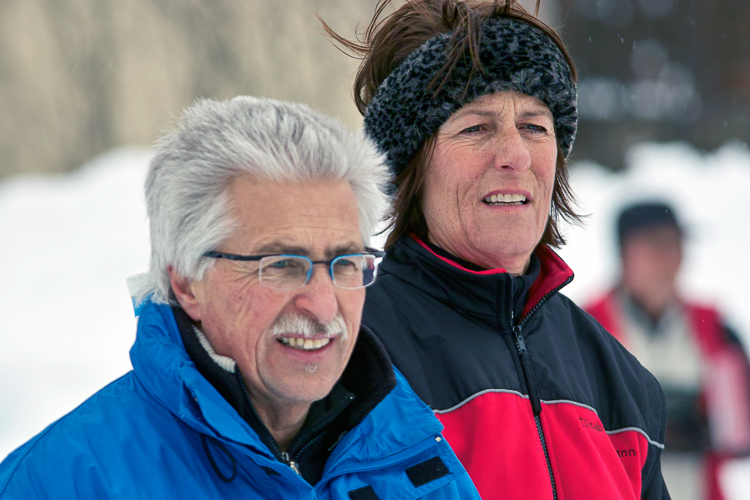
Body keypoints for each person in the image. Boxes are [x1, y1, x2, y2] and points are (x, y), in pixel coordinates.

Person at [0, 96, 482, 499]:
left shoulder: (413, 452)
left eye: (344, 263)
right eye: (280, 266)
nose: (322, 306)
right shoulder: (62, 482)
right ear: (188, 280)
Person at [322, 1, 670, 498]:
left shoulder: (619, 379)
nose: (516, 155)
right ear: (411, 167)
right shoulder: (346, 354)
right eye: (476, 127)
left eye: (534, 126)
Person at [586, 201, 750, 500]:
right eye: (657, 245)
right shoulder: (586, 327)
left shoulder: (715, 329)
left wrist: (704, 430)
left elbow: (739, 435)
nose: (671, 257)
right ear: (624, 253)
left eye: (676, 245)